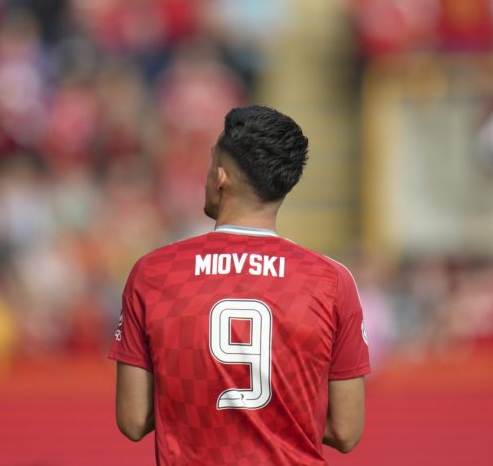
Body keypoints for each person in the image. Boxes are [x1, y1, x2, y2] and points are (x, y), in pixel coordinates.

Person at [109, 105, 370, 464]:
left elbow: (133, 419)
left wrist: (206, 406)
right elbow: (346, 430)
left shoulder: (155, 273)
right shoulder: (330, 280)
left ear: (221, 177)